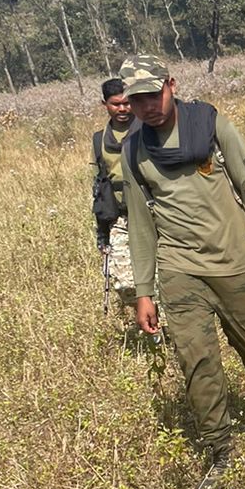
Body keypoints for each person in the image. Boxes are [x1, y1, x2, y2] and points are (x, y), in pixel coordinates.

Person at [119, 55, 245, 489]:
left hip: (234, 261)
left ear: (171, 85)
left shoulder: (211, 125)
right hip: (179, 269)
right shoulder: (134, 149)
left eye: (153, 96)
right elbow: (140, 223)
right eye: (136, 101)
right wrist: (144, 291)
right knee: (196, 361)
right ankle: (220, 451)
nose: (147, 108)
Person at [91, 77, 138, 325]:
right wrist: (102, 235)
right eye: (116, 104)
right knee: (123, 281)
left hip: (152, 212)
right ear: (104, 104)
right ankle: (145, 314)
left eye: (127, 103)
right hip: (119, 215)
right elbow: (99, 185)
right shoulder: (100, 139)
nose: (122, 109)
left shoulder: (148, 129)